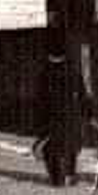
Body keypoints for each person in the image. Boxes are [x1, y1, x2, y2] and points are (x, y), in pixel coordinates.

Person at [35, 35, 85, 187]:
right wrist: (85, 114)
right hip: (72, 115)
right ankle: (70, 175)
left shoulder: (45, 73)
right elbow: (82, 94)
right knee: (70, 146)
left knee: (51, 148)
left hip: (53, 118)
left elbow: (40, 100)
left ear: (48, 53)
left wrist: (40, 124)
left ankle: (57, 178)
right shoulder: (73, 70)